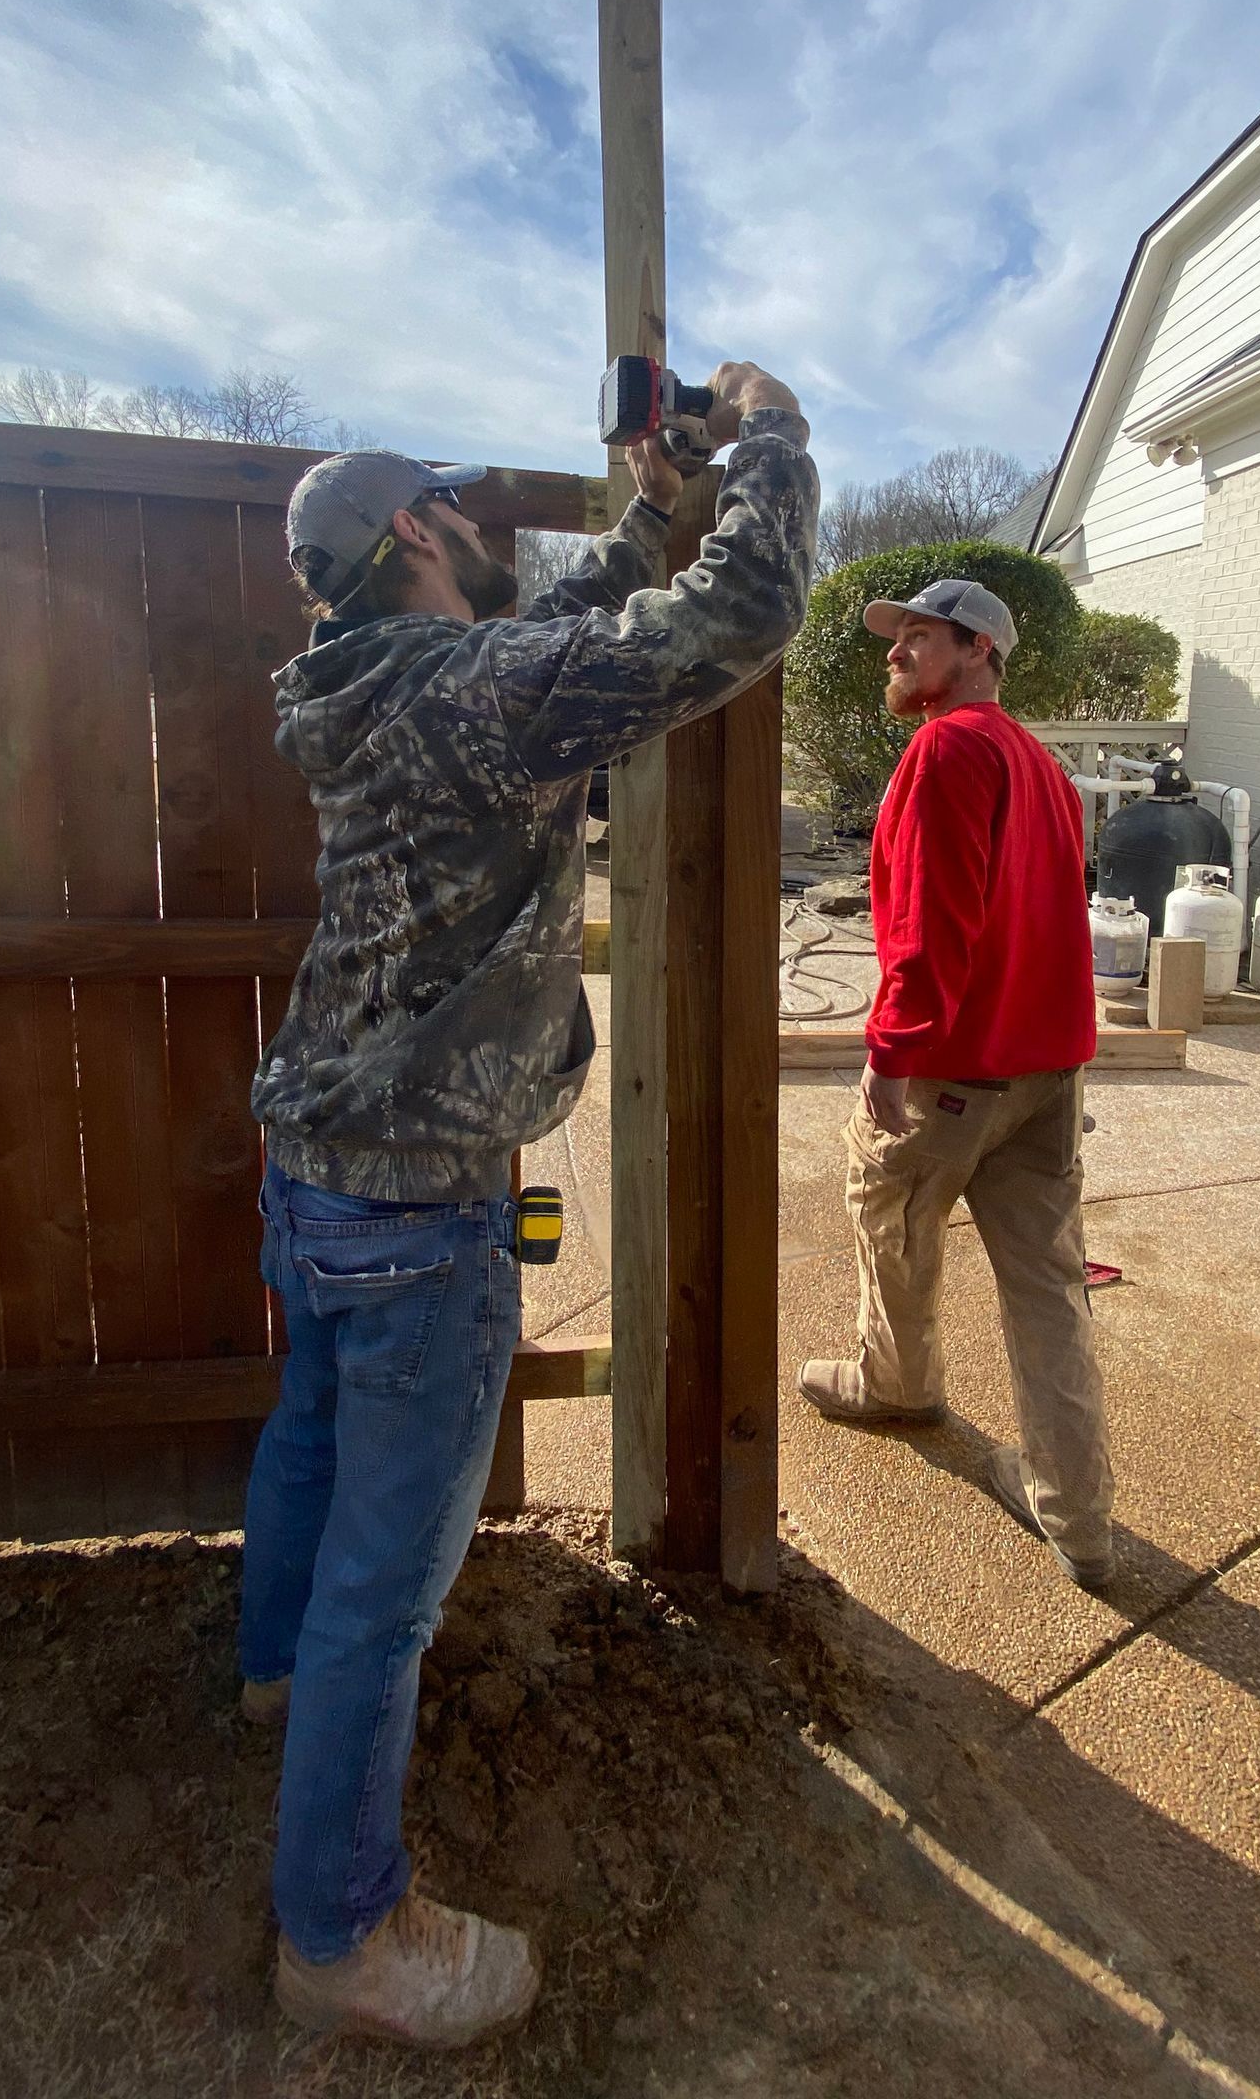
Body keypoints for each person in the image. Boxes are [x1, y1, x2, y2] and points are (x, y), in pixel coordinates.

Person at [239, 364, 817, 2047]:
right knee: (390, 1588)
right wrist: (771, 435)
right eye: (462, 512)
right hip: (419, 1210)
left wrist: (652, 500)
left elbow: (563, 618)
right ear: (416, 532)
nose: (488, 528)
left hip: (314, 1169)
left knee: (309, 1452)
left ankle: (275, 1695)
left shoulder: (362, 678)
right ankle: (338, 1936)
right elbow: (747, 611)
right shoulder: (474, 693)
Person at [796, 578, 1113, 1591]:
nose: (894, 653)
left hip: (957, 1071)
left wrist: (893, 1051)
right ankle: (1079, 1519)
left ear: (974, 649)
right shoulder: (1045, 769)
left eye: (916, 637)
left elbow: (937, 922)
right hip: (1047, 1070)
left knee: (886, 1210)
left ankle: (896, 1384)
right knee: (1048, 1291)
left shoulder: (947, 748)